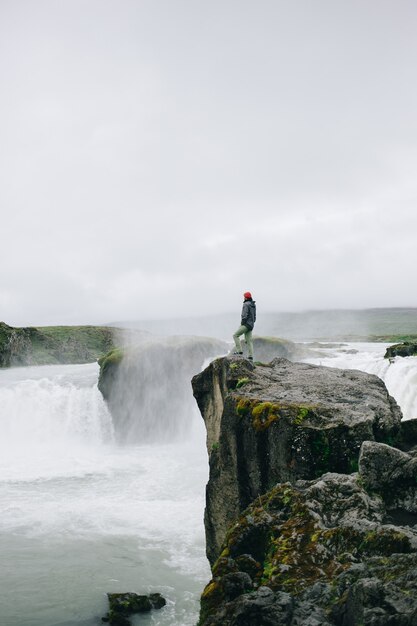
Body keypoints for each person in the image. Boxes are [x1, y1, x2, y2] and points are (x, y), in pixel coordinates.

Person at [233, 292, 256, 360]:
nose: (243, 297)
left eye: (244, 296)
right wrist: (252, 323)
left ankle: (239, 351)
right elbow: (254, 316)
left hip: (246, 324)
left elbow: (244, 315)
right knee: (249, 341)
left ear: (245, 297)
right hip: (251, 325)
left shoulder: (246, 304)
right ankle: (250, 356)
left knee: (235, 335)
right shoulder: (253, 305)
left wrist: (242, 323)